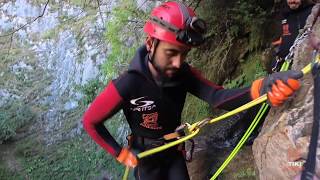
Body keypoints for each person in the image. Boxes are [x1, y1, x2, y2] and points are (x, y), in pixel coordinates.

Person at [82, 1, 303, 179]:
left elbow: (218, 97)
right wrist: (119, 153)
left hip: (174, 152)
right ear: (150, 44)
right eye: (171, 53)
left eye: (184, 54)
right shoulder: (128, 83)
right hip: (146, 159)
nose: (178, 62)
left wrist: (263, 87)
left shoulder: (183, 74)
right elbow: (90, 121)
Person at [271, 0, 314, 72]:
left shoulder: (313, 11)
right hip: (287, 66)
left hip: (309, 64)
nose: (292, 1)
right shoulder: (282, 14)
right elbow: (278, 41)